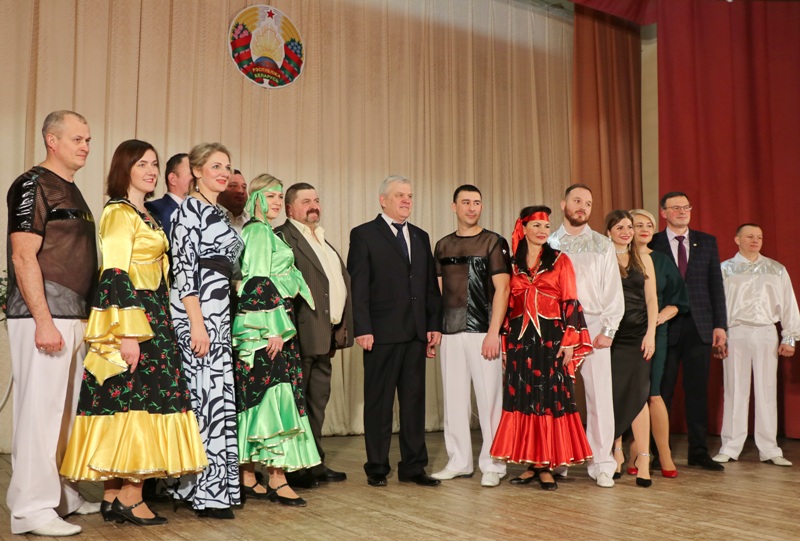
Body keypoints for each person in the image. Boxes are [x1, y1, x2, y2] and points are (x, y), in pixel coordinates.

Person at [59, 139, 208, 526]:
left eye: (154, 163)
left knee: (130, 402)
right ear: (123, 169)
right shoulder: (118, 212)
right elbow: (115, 272)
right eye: (141, 163)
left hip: (152, 314)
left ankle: (112, 496)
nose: (151, 170)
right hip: (134, 317)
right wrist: (127, 334)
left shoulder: (145, 214)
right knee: (138, 402)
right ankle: (131, 496)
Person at [5, 110, 101, 536]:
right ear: (52, 140)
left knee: (63, 417)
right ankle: (30, 509)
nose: (85, 146)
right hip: (44, 316)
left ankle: (60, 495)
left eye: (88, 139)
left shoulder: (71, 189)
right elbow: (23, 255)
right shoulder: (33, 184)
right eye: (77, 138)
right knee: (40, 415)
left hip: (73, 315)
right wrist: (43, 321)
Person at [347, 175, 443, 488]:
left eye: (410, 196)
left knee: (414, 403)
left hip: (415, 333)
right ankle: (377, 466)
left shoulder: (420, 236)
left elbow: (429, 286)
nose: (406, 200)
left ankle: (413, 467)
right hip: (380, 334)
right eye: (400, 195)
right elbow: (358, 286)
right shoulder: (363, 234)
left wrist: (433, 324)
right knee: (379, 403)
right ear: (383, 200)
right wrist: (362, 327)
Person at [232, 174, 321, 507]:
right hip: (267, 327)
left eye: (279, 196)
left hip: (269, 323)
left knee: (257, 398)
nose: (276, 202)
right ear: (256, 198)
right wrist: (272, 328)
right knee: (273, 397)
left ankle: (247, 476)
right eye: (270, 196)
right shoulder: (257, 232)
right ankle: (278, 479)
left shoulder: (263, 231)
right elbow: (256, 281)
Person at [489, 206, 593, 491]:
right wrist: (504, 344)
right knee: (525, 398)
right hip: (520, 340)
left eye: (546, 227)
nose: (542, 231)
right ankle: (532, 464)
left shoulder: (560, 260)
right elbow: (507, 305)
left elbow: (570, 300)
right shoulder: (511, 264)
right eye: (535, 226)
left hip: (551, 339)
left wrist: (569, 340)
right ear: (523, 229)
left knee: (549, 398)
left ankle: (546, 465)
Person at [170, 143, 244, 518]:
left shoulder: (218, 212)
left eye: (227, 166)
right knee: (205, 398)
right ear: (196, 171)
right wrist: (197, 324)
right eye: (216, 166)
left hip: (218, 311)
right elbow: (183, 270)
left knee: (213, 397)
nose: (224, 172)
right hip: (197, 313)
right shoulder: (188, 210)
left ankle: (209, 487)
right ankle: (206, 492)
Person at [276, 182, 354, 488]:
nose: (314, 206)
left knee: (317, 403)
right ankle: (296, 469)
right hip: (299, 335)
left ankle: (315, 462)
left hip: (325, 336)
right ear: (290, 208)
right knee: (297, 405)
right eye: (306, 201)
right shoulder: (283, 237)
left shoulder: (321, 238)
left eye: (317, 200)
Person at [432, 185, 510, 488]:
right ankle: (459, 461)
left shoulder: (493, 242)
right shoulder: (442, 245)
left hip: (483, 332)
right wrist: (436, 329)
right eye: (465, 202)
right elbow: (439, 291)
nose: (472, 207)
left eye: (477, 202)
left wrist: (494, 332)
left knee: (490, 400)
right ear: (454, 207)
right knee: (453, 399)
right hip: (450, 332)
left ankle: (494, 464)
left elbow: (503, 289)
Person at [546, 184, 624, 488]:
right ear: (563, 204)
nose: (582, 207)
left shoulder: (602, 244)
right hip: (556, 326)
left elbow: (612, 290)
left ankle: (601, 463)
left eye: (588, 203)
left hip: (593, 324)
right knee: (556, 395)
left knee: (599, 397)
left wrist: (608, 329)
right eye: (577, 200)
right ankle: (558, 460)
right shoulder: (548, 242)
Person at [649, 192, 727, 471]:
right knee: (661, 391)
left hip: (700, 326)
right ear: (663, 213)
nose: (682, 211)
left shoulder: (707, 241)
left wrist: (720, 325)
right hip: (665, 324)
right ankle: (657, 452)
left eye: (686, 207)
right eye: (676, 208)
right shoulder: (652, 243)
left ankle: (698, 451)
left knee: (697, 392)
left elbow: (715, 285)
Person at [713, 224, 799, 467]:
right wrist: (719, 335)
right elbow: (717, 304)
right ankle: (730, 447)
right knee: (735, 389)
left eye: (759, 237)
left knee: (766, 390)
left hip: (766, 331)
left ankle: (769, 449)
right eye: (750, 236)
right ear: (737, 239)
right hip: (735, 331)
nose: (755, 240)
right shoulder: (724, 269)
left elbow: (789, 304)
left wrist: (789, 337)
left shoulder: (776, 269)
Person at [628, 209, 688, 478]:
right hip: (624, 335)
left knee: (653, 393)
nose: (644, 229)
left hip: (656, 333)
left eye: (649, 225)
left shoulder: (662, 261)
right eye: (638, 224)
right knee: (630, 394)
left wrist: (661, 317)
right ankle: (634, 450)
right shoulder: (617, 258)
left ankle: (664, 453)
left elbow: (679, 300)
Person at [605, 210, 658, 488]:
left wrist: (651, 334)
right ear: (609, 232)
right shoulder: (603, 258)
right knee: (614, 395)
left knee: (639, 396)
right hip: (612, 338)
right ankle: (616, 453)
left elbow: (652, 300)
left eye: (629, 227)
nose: (626, 232)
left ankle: (644, 459)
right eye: (619, 227)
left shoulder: (644, 258)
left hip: (638, 337)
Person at [144, 152, 192, 240]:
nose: (197, 176)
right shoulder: (152, 209)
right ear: (173, 179)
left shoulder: (200, 211)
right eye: (191, 172)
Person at [218, 169, 249, 234]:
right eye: (233, 186)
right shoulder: (210, 217)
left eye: (244, 187)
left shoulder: (250, 222)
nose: (241, 191)